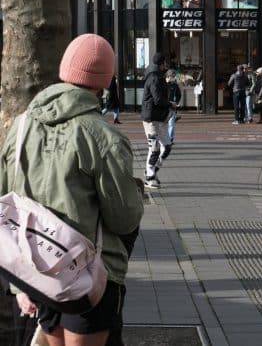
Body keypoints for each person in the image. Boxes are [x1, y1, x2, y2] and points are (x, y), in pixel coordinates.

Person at [1, 34, 143, 346]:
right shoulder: (103, 137)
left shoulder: (21, 126)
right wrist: (137, 192)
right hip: (87, 277)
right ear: (105, 81)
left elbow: (5, 201)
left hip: (36, 270)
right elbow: (123, 219)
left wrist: (19, 286)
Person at [142, 52, 172, 189]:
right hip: (152, 118)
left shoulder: (159, 76)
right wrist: (170, 104)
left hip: (160, 117)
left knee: (166, 147)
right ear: (162, 64)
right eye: (165, 62)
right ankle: (149, 177)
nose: (166, 65)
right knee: (154, 149)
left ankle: (152, 170)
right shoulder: (154, 78)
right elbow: (158, 99)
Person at [166, 70, 181, 143]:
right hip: (164, 107)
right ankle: (165, 139)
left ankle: (170, 139)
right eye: (172, 76)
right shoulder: (163, 85)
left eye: (174, 77)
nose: (173, 78)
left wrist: (176, 102)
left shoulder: (175, 85)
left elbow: (179, 95)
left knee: (171, 124)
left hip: (172, 107)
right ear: (168, 77)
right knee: (164, 125)